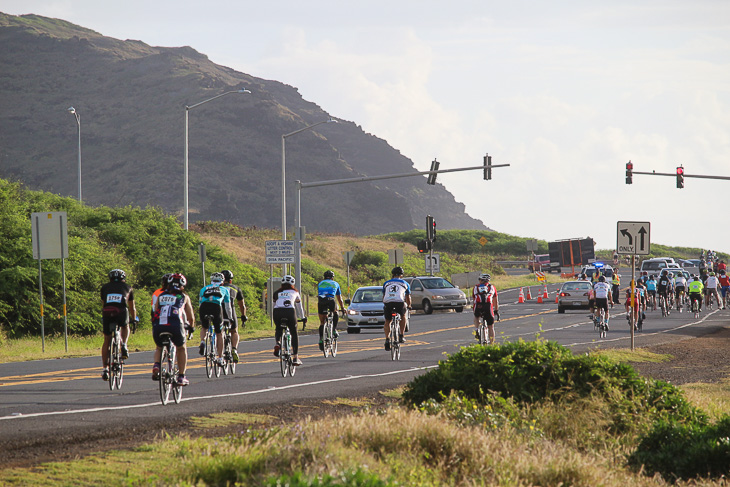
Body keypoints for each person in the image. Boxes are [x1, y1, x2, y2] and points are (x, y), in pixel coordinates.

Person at [151, 273, 195, 385]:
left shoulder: (160, 296)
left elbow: (156, 311)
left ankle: (156, 365)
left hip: (159, 325)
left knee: (159, 347)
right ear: (182, 286)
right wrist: (191, 327)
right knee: (181, 348)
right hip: (175, 324)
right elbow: (191, 317)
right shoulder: (184, 297)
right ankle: (181, 376)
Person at [100, 269, 136, 381]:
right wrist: (134, 319)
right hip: (121, 312)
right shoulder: (128, 287)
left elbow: (103, 304)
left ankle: (105, 369)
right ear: (123, 278)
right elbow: (131, 307)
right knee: (125, 326)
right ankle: (124, 344)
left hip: (107, 312)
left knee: (106, 340)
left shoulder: (104, 288)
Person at [198, 272, 233, 367]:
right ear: (222, 281)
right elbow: (227, 307)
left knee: (204, 327)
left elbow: (200, 304)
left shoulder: (203, 289)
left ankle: (202, 341)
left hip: (204, 307)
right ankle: (220, 357)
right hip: (216, 307)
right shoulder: (224, 289)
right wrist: (230, 318)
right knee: (219, 333)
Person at [272, 275, 306, 365]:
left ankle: (278, 343)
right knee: (294, 333)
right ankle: (295, 357)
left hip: (277, 311)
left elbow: (273, 306)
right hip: (289, 311)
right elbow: (299, 307)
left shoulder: (276, 293)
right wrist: (303, 317)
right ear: (293, 284)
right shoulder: (295, 292)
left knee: (278, 328)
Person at [220, 269, 246, 363]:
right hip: (230, 310)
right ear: (231, 280)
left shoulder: (217, 288)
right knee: (234, 331)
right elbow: (242, 305)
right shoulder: (236, 288)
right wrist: (243, 316)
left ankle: (220, 352)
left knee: (220, 332)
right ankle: (234, 349)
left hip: (218, 310)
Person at [382, 266, 411, 351]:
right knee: (403, 317)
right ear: (401, 275)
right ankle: (401, 335)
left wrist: (385, 303)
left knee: (388, 321)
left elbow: (384, 295)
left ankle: (387, 339)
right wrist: (409, 305)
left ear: (392, 274)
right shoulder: (405, 283)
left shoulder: (386, 283)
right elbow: (408, 297)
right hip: (399, 302)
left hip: (388, 302)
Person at [316, 270, 345, 352]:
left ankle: (321, 339)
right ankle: (334, 330)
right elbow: (339, 298)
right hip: (330, 300)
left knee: (322, 322)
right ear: (332, 278)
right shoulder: (335, 283)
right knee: (335, 312)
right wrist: (343, 308)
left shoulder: (320, 283)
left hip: (321, 300)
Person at [472, 273, 500, 344]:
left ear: (480, 280)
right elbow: (495, 300)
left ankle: (477, 329)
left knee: (476, 316)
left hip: (478, 305)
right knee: (490, 326)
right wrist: (496, 310)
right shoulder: (492, 287)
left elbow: (474, 299)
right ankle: (491, 344)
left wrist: (474, 310)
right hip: (488, 306)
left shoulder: (476, 287)